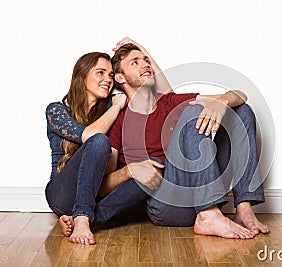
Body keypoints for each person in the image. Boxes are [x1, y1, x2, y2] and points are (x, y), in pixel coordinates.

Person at [100, 38, 270, 239]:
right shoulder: (119, 120)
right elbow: (103, 187)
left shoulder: (168, 102)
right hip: (167, 204)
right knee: (192, 111)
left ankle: (243, 209)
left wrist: (223, 101)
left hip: (201, 189)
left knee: (241, 111)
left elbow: (240, 95)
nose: (145, 64)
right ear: (120, 78)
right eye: (135, 62)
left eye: (146, 60)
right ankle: (208, 215)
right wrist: (129, 172)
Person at [45, 52, 130, 245]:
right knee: (99, 140)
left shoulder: (110, 107)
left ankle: (79, 218)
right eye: (100, 72)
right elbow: (90, 137)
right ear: (81, 76)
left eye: (110, 75)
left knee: (146, 174)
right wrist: (115, 108)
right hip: (62, 193)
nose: (107, 80)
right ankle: (82, 216)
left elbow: (152, 95)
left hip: (98, 191)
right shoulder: (56, 111)